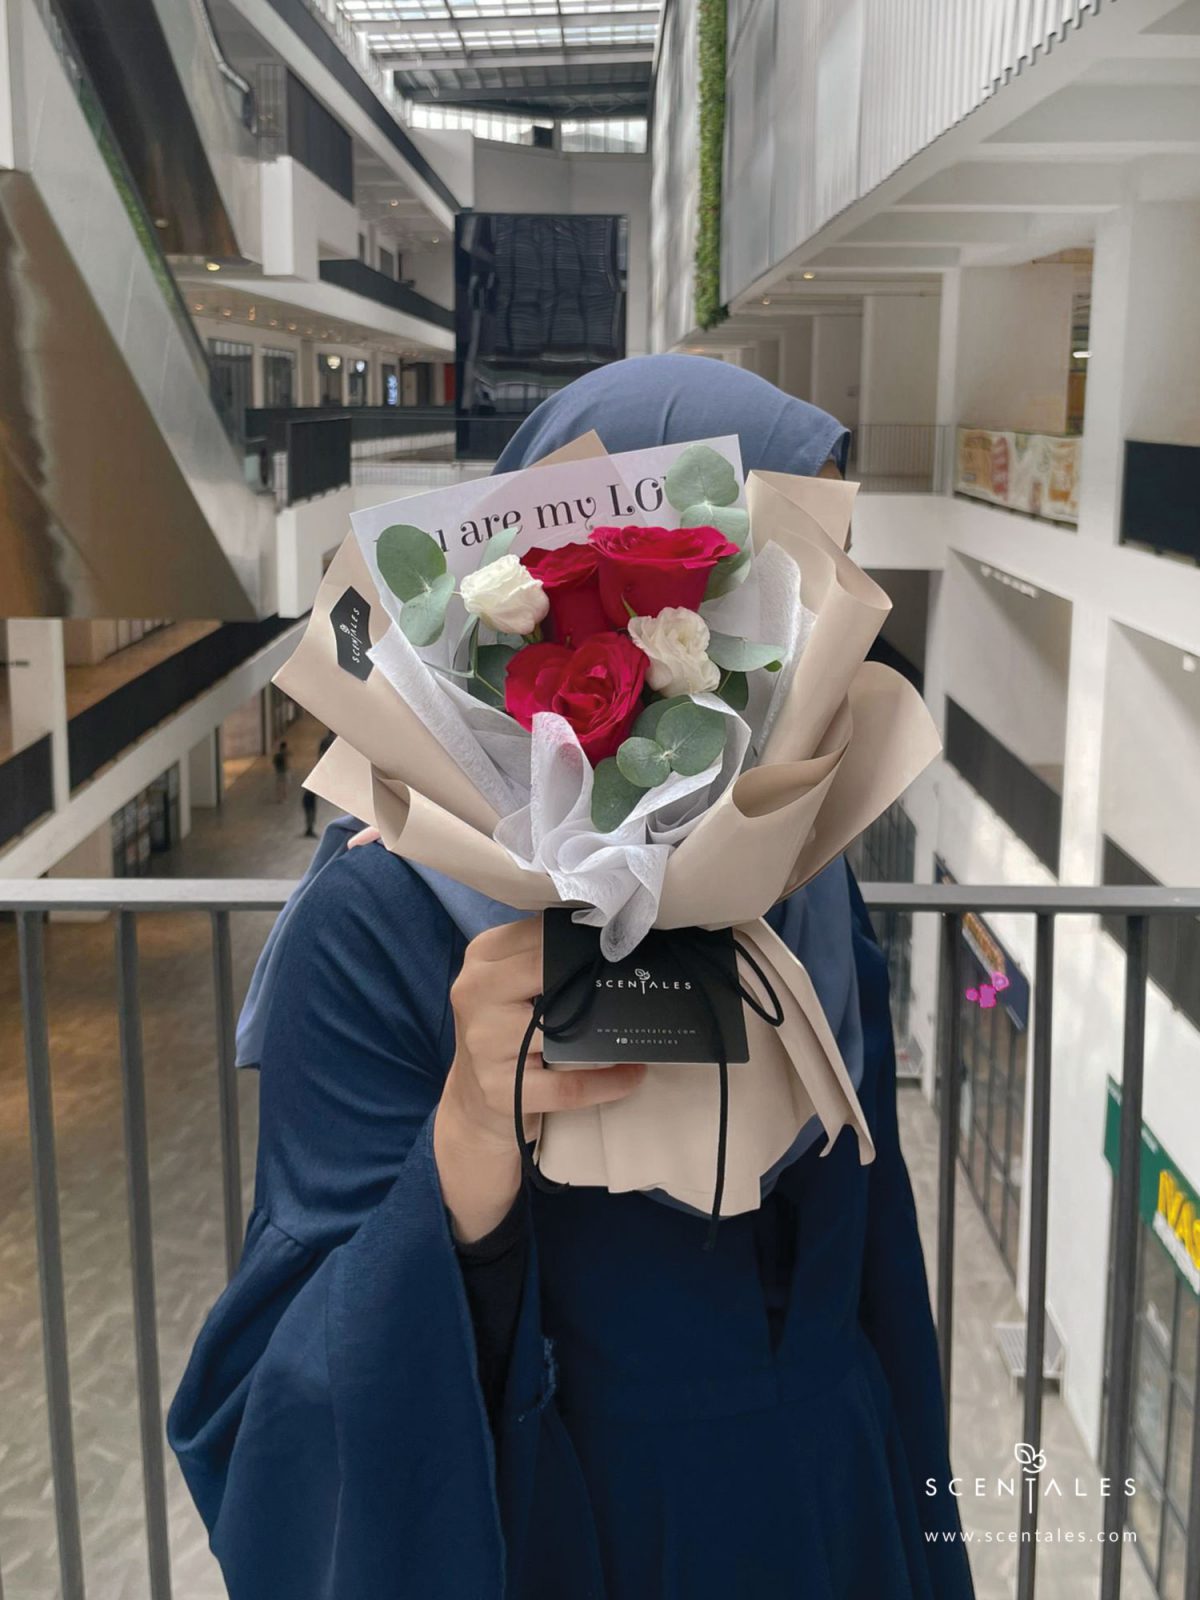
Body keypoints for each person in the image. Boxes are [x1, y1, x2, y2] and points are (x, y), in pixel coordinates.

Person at [170, 355, 975, 1599]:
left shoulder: (806, 890)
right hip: (562, 1532)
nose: (812, 629)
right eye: (773, 572)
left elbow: (876, 1269)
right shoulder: (383, 921)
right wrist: (466, 1148)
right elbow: (284, 1406)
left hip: (832, 1519)